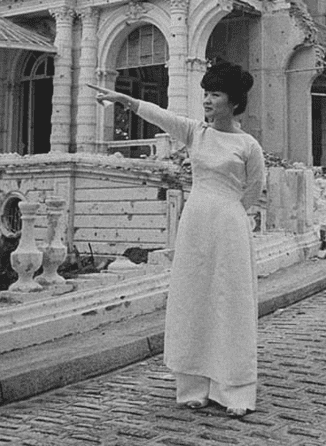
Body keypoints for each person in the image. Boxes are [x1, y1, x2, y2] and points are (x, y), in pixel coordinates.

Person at [92, 61, 266, 418]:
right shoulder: (195, 133)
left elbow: (253, 191)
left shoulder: (249, 146)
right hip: (195, 223)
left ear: (233, 102)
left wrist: (229, 213)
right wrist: (126, 100)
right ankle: (192, 385)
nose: (206, 100)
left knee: (229, 301)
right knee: (194, 299)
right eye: (205, 93)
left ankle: (233, 389)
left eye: (214, 94)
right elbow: (160, 116)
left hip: (230, 226)